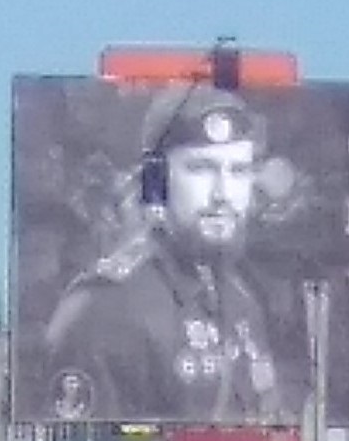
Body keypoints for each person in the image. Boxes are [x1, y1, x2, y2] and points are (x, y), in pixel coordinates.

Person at [36, 86, 303, 423]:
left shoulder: (240, 298)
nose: (223, 193)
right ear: (156, 182)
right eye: (201, 168)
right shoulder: (101, 309)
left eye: (238, 171)